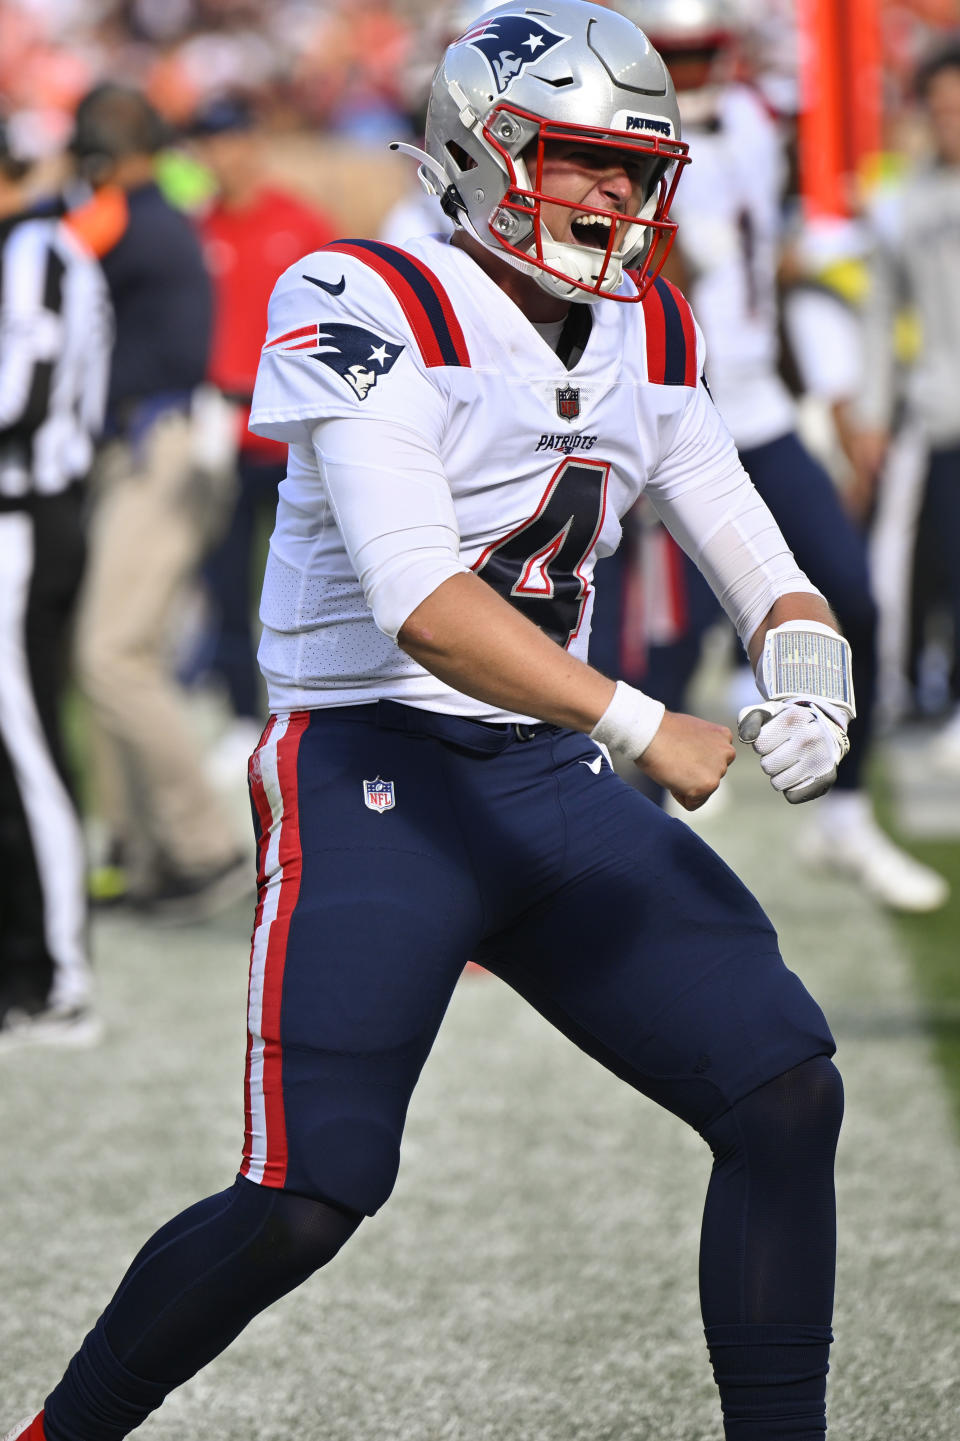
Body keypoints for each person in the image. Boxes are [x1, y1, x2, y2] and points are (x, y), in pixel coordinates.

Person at [4, 5, 850, 1438]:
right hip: (372, 769)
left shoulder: (652, 324)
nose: (614, 197)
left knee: (783, 1090)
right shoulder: (362, 293)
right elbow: (425, 602)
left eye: (635, 167)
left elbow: (759, 560)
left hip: (543, 781)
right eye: (579, 159)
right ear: (481, 148)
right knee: (306, 1199)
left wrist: (812, 667)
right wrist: (649, 724)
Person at [595, 0, 948, 912]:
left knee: (851, 600)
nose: (696, 74)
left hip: (757, 409)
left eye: (707, 52)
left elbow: (786, 258)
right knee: (656, 661)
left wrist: (830, 382)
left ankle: (846, 813)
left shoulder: (753, 124)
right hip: (667, 416)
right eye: (679, 55)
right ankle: (599, 873)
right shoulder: (617, 142)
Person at [66, 83, 253, 921]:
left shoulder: (136, 218)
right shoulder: (148, 213)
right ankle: (143, 853)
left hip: (162, 444)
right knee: (114, 654)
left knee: (112, 655)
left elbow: (65, 251)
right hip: (157, 446)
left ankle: (203, 850)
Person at [0, 116, 112, 1048]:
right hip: (29, 515)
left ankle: (57, 974)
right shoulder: (40, 244)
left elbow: (21, 392)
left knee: (25, 740)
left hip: (25, 519)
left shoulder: (34, 247)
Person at [189, 93, 339, 783]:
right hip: (222, 428)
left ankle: (314, 712)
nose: (222, 157)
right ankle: (244, 713)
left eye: (231, 140)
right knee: (223, 581)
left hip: (288, 433)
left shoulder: (299, 222)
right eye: (209, 144)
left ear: (252, 142)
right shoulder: (200, 228)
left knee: (306, 580)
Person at [855, 40, 960, 769]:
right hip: (941, 409)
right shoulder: (906, 202)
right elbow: (880, 311)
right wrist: (871, 412)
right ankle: (932, 689)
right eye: (942, 109)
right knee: (936, 559)